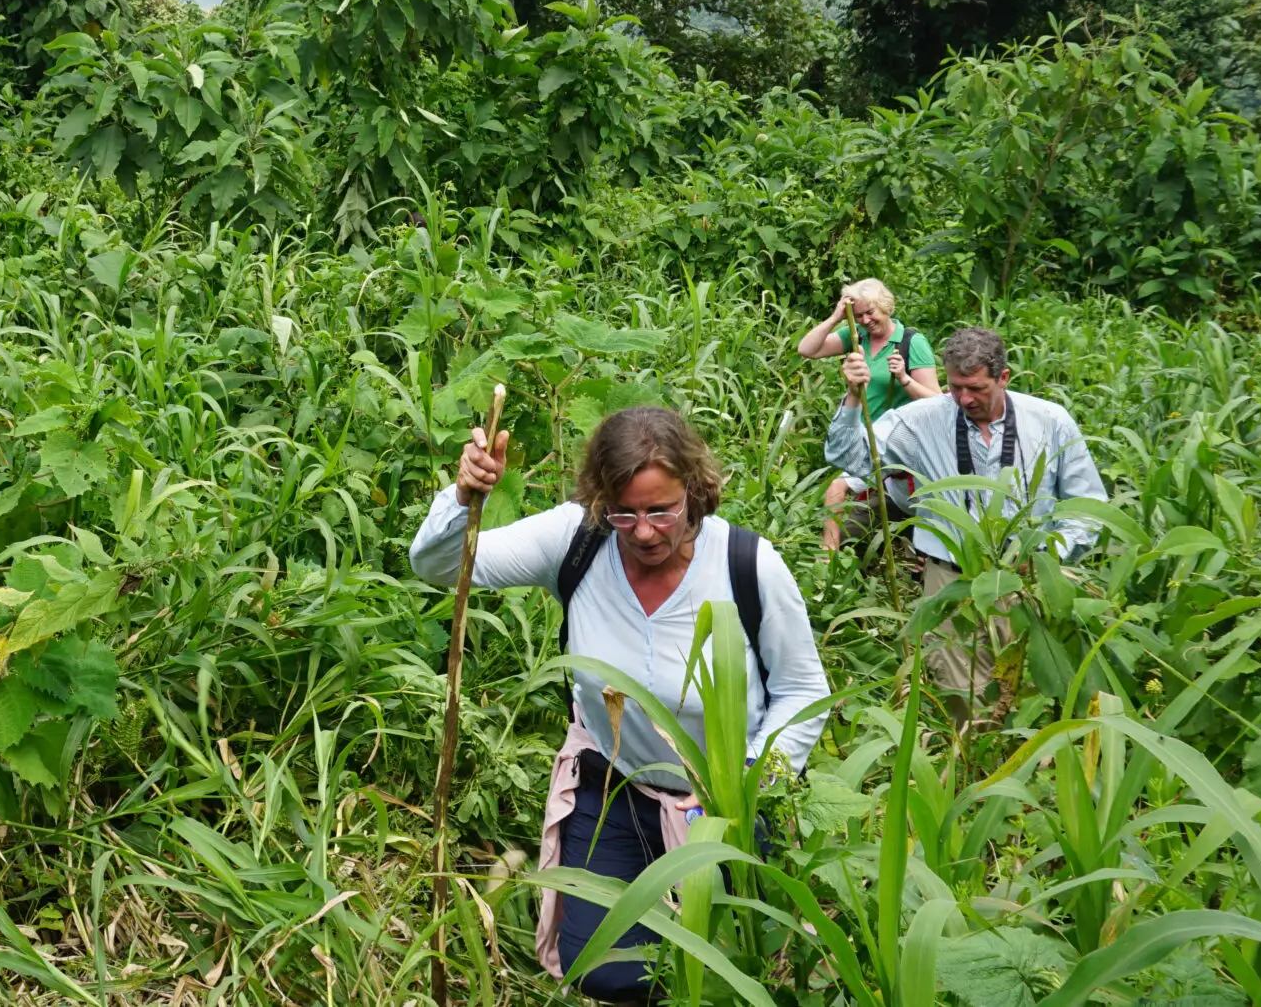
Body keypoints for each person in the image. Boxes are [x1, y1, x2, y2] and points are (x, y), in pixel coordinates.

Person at [411, 407, 830, 1003]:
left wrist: (744, 782)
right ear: (599, 500)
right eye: (624, 513)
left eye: (662, 510)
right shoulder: (576, 540)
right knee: (605, 972)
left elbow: (802, 689)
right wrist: (464, 495)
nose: (644, 531)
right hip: (614, 790)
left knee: (738, 963)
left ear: (694, 490)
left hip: (730, 802)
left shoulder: (746, 564)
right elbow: (438, 565)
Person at [824, 324, 1108, 717]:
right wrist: (854, 398)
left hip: (1025, 577)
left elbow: (1088, 505)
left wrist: (1050, 552)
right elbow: (851, 457)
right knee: (960, 697)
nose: (963, 398)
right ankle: (969, 771)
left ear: (1003, 377)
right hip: (950, 580)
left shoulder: (1049, 421)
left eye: (976, 388)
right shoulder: (920, 420)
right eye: (956, 387)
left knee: (1027, 694)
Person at [796, 280, 939, 551]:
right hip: (863, 440)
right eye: (859, 315)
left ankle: (836, 556)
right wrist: (837, 317)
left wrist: (904, 378)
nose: (865, 320)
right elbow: (807, 349)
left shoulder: (911, 342)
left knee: (843, 489)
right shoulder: (856, 335)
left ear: (885, 306)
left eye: (870, 312)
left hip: (899, 443)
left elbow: (936, 401)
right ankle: (830, 560)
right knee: (841, 494)